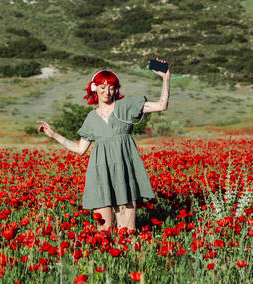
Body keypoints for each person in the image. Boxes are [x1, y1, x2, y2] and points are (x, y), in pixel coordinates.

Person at [37, 58, 170, 232]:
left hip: (124, 174)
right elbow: (79, 149)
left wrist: (166, 78)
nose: (107, 92)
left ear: (116, 90)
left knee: (127, 233)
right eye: (102, 87)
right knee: (103, 233)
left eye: (111, 87)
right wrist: (53, 134)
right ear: (94, 89)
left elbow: (162, 106)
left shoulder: (126, 106)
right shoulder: (91, 118)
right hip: (101, 175)